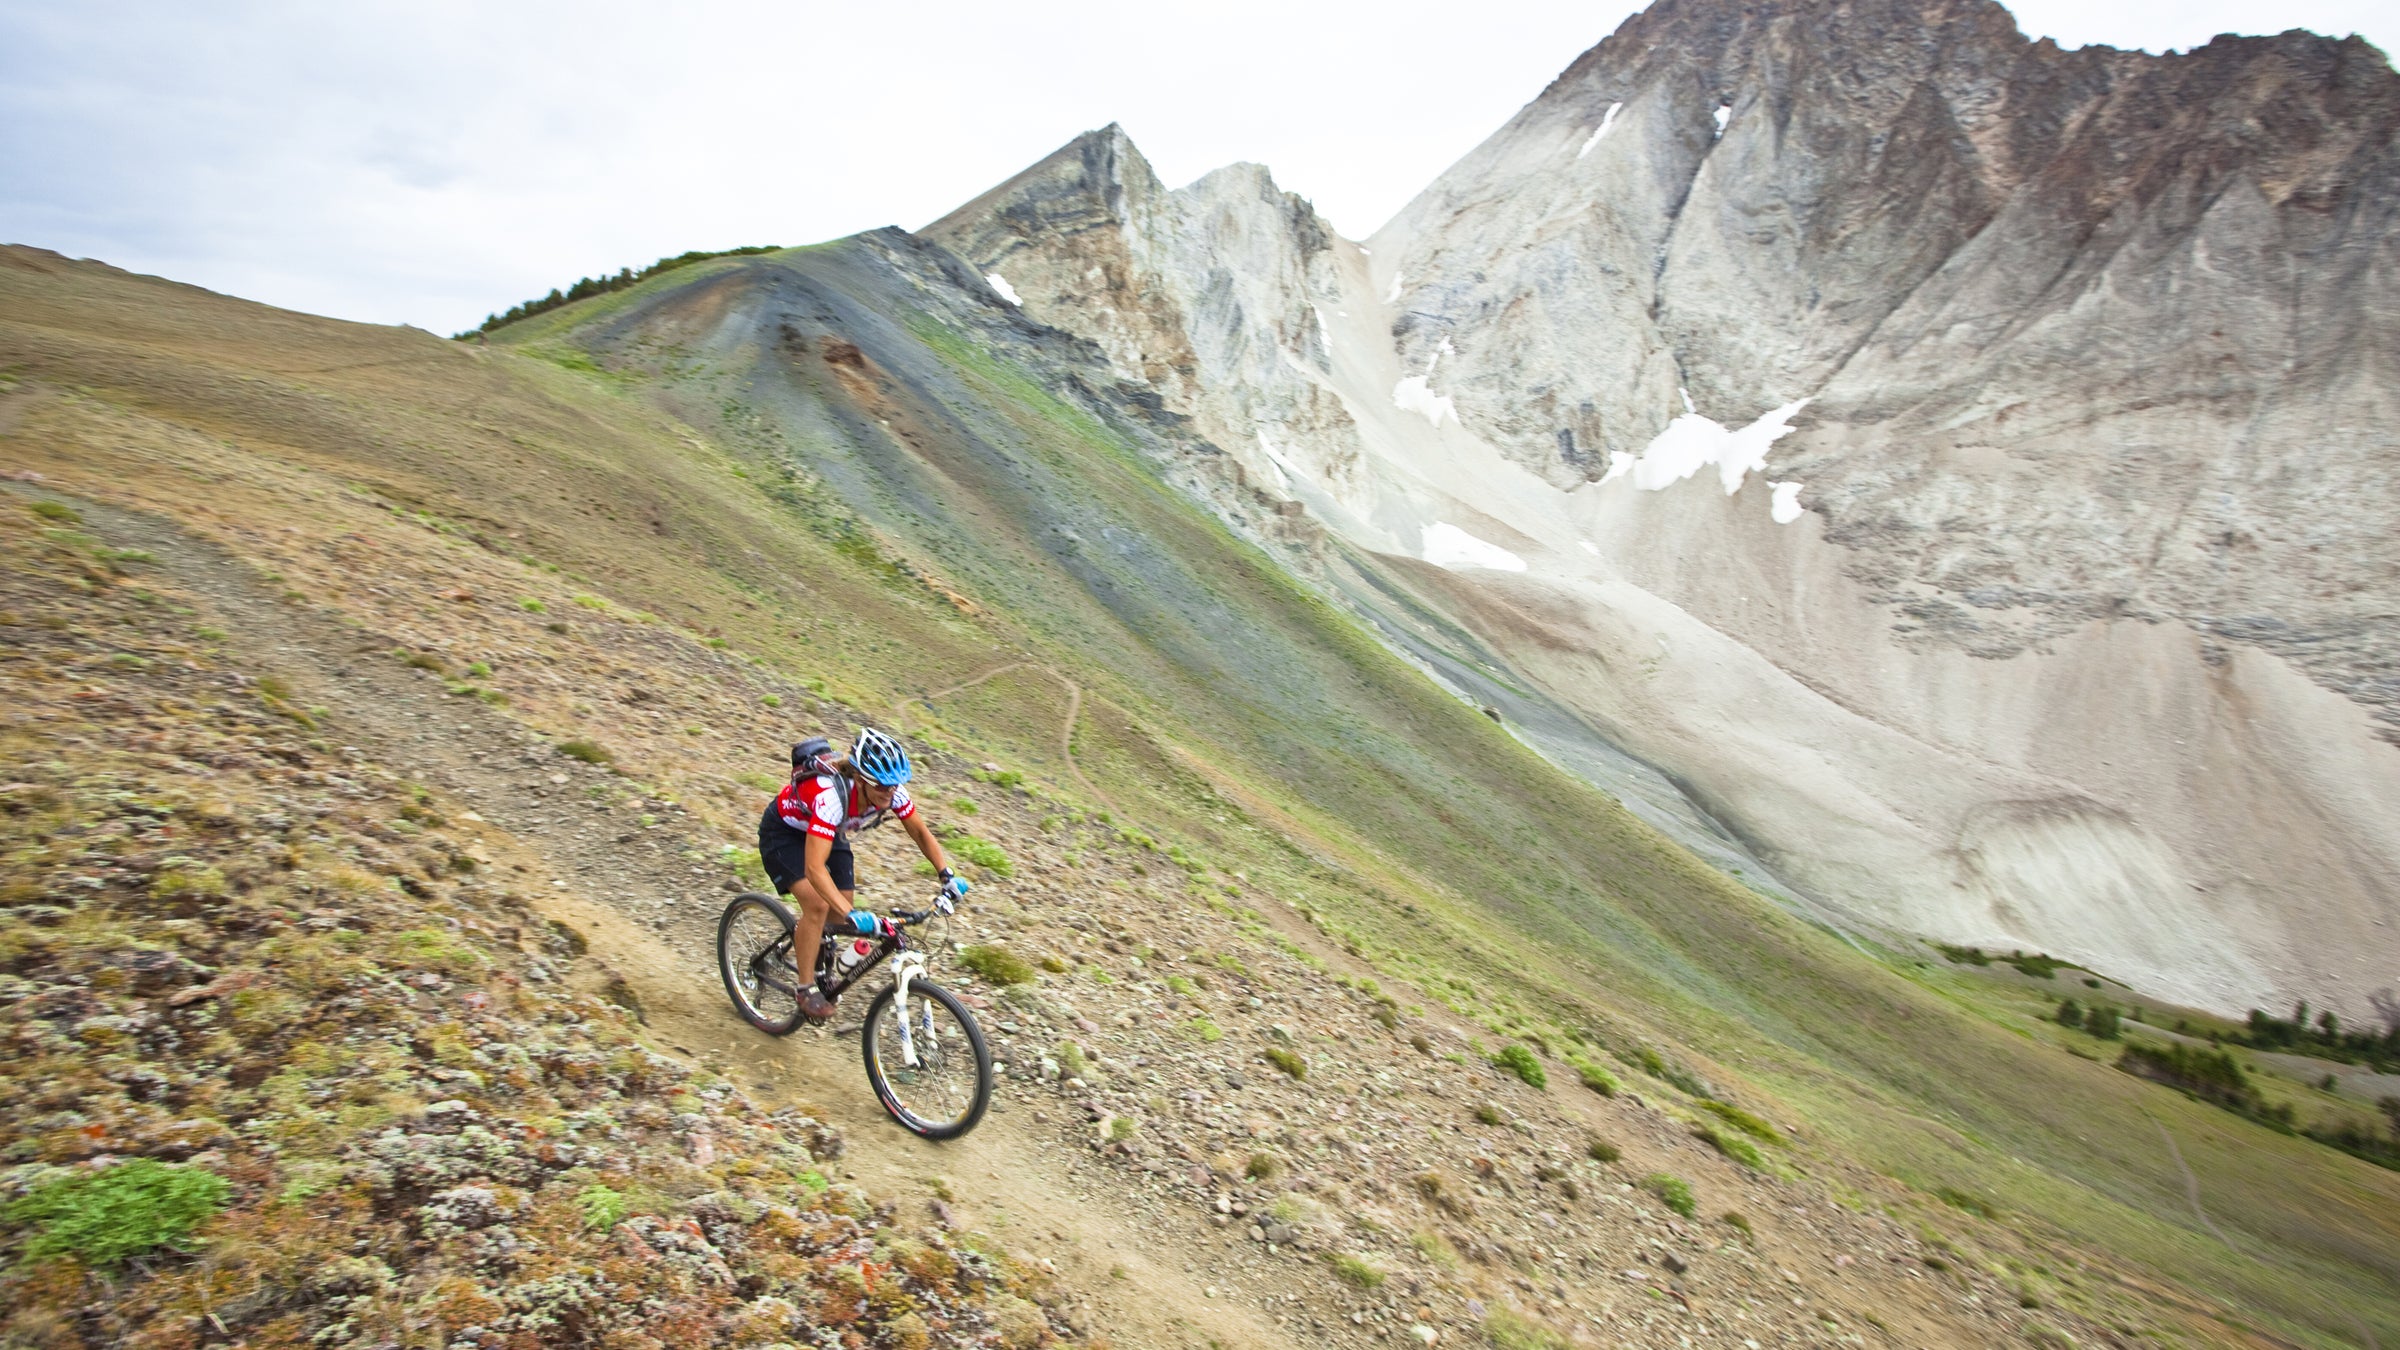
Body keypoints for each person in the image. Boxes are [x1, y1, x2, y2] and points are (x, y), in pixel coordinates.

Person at [757, 727, 967, 1020]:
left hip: (831, 831)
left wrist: (946, 875)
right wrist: (851, 913)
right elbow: (814, 869)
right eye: (881, 785)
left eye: (894, 785)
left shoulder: (891, 790)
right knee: (818, 905)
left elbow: (919, 831)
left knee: (839, 914)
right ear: (858, 777)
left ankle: (819, 958)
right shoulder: (830, 796)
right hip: (785, 833)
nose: (889, 791)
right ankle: (805, 988)